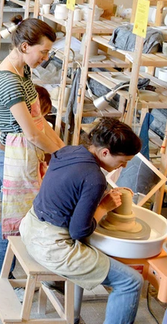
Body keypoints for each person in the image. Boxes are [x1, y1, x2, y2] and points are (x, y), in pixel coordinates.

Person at [20, 118, 143, 324]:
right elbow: (79, 231)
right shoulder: (95, 178)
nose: (124, 165)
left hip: (30, 226)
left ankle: (72, 305)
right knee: (131, 281)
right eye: (123, 161)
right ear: (105, 153)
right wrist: (103, 207)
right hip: (52, 247)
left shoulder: (70, 151)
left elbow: (72, 190)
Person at [0, 18, 63, 276]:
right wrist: (61, 154)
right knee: (13, 221)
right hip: (13, 153)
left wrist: (62, 147)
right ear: (23, 47)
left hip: (27, 150)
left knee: (23, 219)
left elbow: (38, 119)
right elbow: (30, 133)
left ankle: (14, 273)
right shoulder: (8, 81)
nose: (45, 57)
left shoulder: (24, 71)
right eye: (42, 52)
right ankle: (0, 276)